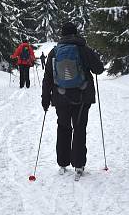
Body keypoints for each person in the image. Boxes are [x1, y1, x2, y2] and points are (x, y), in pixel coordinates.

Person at [41, 22, 105, 179]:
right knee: (79, 127)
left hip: (60, 96)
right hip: (82, 96)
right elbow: (99, 69)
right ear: (76, 34)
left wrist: (45, 99)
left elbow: (47, 77)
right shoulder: (83, 49)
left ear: (62, 35)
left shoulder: (54, 52)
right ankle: (78, 164)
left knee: (63, 127)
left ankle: (62, 163)